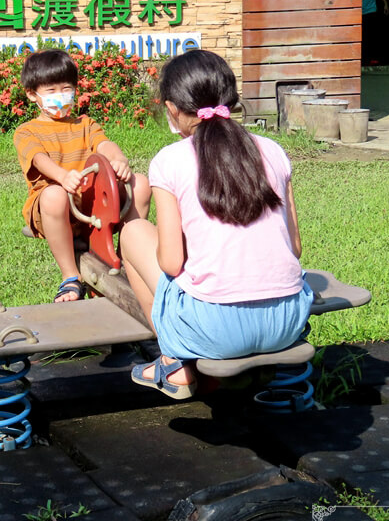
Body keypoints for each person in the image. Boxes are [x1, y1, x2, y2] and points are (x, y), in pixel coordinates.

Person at [120, 50, 313, 399]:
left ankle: (173, 361)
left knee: (133, 231)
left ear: (172, 109)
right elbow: (295, 248)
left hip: (215, 330)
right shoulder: (272, 150)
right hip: (288, 321)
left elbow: (170, 262)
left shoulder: (170, 160)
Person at [14, 48, 151, 302]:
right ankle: (70, 277)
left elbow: (104, 145)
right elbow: (38, 159)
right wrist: (63, 177)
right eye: (51, 91)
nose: (61, 96)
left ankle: (126, 259)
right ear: (32, 95)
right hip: (53, 207)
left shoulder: (85, 124)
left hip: (91, 202)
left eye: (66, 89)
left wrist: (118, 159)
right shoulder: (27, 131)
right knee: (54, 195)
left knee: (140, 184)